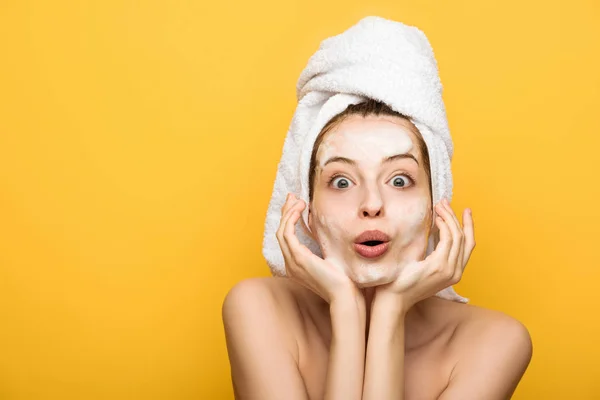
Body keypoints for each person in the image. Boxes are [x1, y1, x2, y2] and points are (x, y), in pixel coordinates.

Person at [222, 98, 533, 399]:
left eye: (399, 180)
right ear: (308, 216)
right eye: (342, 182)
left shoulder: (495, 343)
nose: (372, 204)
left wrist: (391, 308)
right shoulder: (259, 309)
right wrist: (345, 306)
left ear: (435, 211)